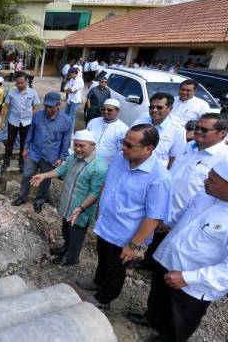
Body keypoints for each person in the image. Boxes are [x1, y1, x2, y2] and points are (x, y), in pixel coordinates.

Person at [126, 160, 228, 342]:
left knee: (181, 319)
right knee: (158, 300)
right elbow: (182, 216)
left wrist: (188, 278)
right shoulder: (205, 195)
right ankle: (153, 321)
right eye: (208, 176)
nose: (205, 181)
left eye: (212, 181)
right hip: (168, 261)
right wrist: (161, 223)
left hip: (194, 282)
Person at [76, 124, 172, 308]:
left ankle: (104, 299)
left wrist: (133, 245)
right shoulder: (121, 158)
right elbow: (109, 185)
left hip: (125, 236)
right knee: (103, 257)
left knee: (115, 269)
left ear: (148, 148)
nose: (123, 148)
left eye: (129, 145)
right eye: (123, 142)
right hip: (106, 225)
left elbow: (154, 217)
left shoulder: (159, 178)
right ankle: (98, 281)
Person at [135, 113, 228, 271]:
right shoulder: (189, 146)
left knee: (173, 250)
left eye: (204, 129)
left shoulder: (223, 159)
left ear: (222, 133)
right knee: (157, 243)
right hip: (165, 206)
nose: (197, 131)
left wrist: (174, 219)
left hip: (185, 216)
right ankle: (149, 264)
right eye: (196, 127)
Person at [29, 129, 107, 265]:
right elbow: (62, 170)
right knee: (66, 230)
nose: (77, 149)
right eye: (76, 145)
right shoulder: (73, 158)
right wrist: (43, 175)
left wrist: (81, 208)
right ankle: (66, 248)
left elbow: (95, 193)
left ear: (93, 146)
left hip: (81, 209)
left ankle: (71, 258)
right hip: (68, 203)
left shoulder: (99, 167)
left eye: (82, 146)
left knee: (76, 234)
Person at [11, 92, 72, 212]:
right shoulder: (38, 116)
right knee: (27, 175)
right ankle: (22, 197)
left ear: (58, 105)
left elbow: (66, 141)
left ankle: (39, 200)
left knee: (45, 180)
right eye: (46, 106)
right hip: (34, 152)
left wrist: (61, 158)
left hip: (51, 156)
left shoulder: (66, 121)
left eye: (51, 106)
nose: (48, 109)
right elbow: (31, 133)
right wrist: (25, 148)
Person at [133, 92, 187, 169]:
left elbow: (174, 158)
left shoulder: (178, 131)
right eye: (152, 107)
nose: (154, 110)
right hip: (134, 167)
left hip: (156, 174)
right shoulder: (138, 123)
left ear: (170, 109)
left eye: (159, 107)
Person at [0, 74, 40, 173]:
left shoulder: (33, 92)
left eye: (22, 82)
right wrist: (2, 121)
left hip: (27, 122)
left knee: (24, 143)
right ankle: (6, 162)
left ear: (26, 81)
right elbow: (6, 107)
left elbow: (35, 108)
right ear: (15, 82)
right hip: (13, 121)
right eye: (18, 82)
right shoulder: (12, 92)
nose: (20, 84)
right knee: (10, 142)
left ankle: (21, 161)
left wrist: (34, 122)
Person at [86, 99, 129, 164]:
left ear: (117, 111)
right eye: (103, 109)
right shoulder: (93, 122)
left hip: (106, 164)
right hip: (87, 159)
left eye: (109, 110)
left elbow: (122, 151)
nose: (105, 111)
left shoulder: (123, 129)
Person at [63, 67, 84, 132]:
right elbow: (65, 89)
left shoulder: (79, 80)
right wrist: (69, 90)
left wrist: (69, 90)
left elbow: (72, 90)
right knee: (65, 115)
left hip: (75, 101)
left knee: (71, 117)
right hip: (69, 100)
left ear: (75, 73)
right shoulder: (72, 79)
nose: (69, 75)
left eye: (70, 73)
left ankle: (70, 131)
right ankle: (64, 128)